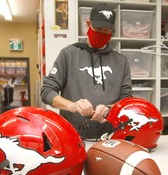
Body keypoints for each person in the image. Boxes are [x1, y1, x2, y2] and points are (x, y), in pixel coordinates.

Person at [40, 3, 132, 140]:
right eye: (98, 28)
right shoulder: (68, 54)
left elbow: (127, 100)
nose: (102, 33)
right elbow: (47, 91)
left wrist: (109, 108)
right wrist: (72, 105)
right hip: (72, 136)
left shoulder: (121, 61)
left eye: (106, 30)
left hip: (110, 137)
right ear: (88, 24)